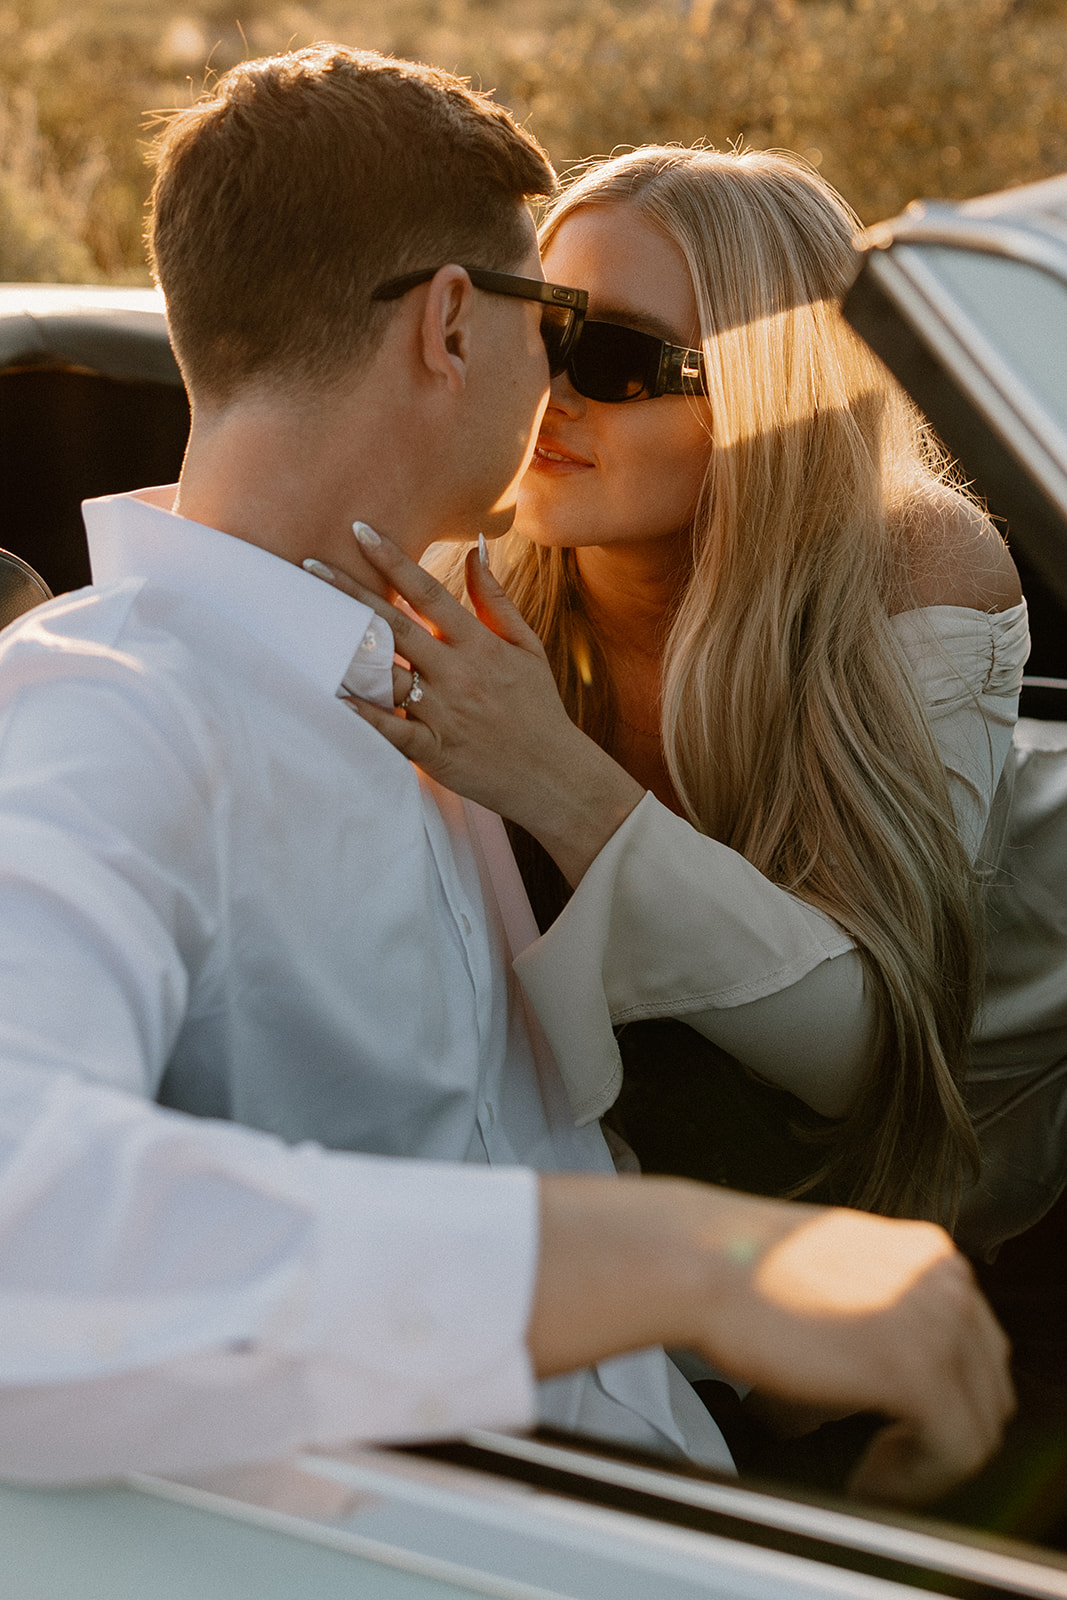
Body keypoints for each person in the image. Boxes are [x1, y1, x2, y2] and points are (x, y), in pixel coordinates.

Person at [0, 54, 1011, 1502]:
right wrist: (683, 1267)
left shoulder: (435, 639)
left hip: (680, 1468)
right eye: (556, 323)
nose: (557, 387)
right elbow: (18, 1242)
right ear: (453, 324)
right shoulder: (108, 710)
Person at [343, 147, 1026, 1245]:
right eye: (537, 330)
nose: (548, 394)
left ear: (772, 401)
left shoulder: (909, 570)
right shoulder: (468, 543)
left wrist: (561, 783)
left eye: (610, 357)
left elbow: (871, 1051)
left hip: (926, 1154)